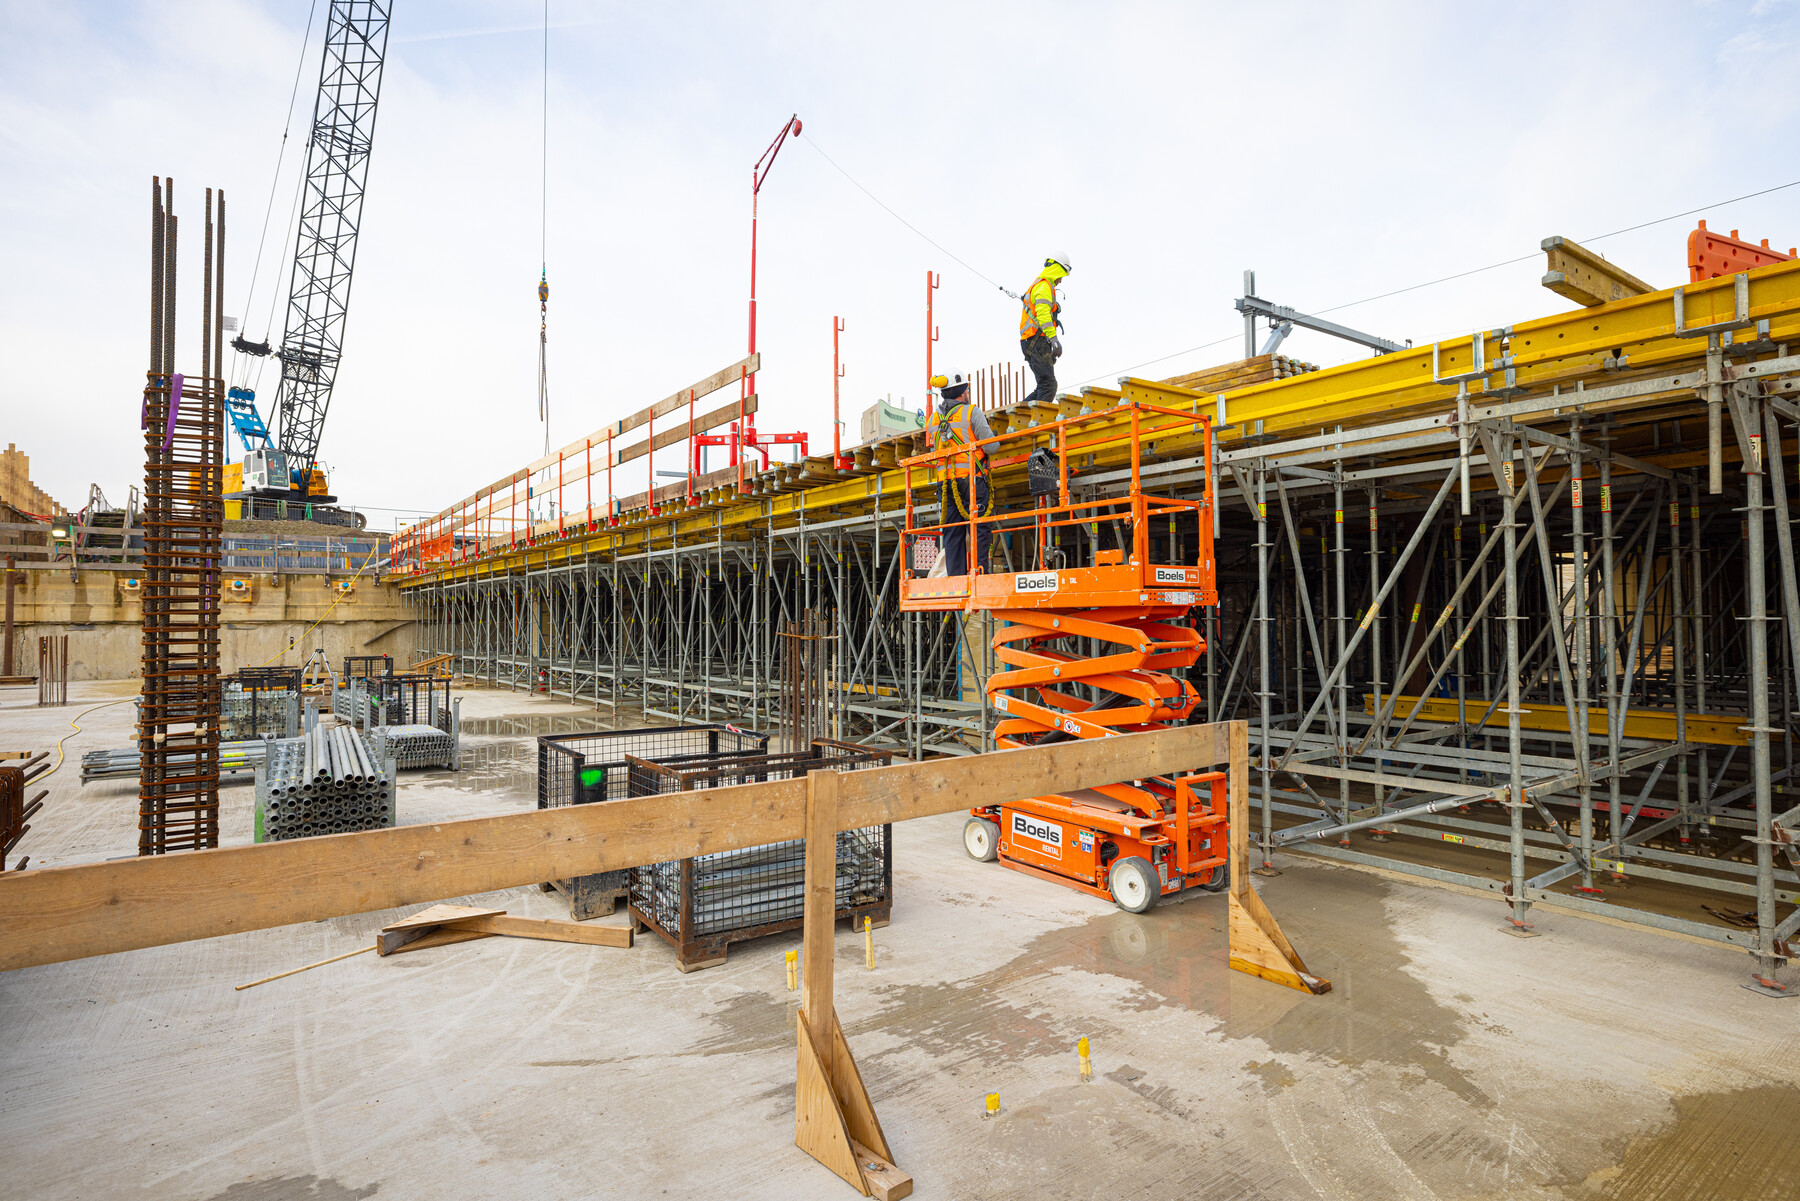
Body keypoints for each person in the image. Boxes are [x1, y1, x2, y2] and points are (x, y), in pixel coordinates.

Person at [934, 373, 994, 576]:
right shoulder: (971, 412)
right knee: (979, 528)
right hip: (971, 481)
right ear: (961, 392)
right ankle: (979, 575)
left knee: (952, 531)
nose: (968, 392)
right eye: (966, 389)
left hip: (944, 484)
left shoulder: (935, 418)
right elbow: (992, 447)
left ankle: (956, 580)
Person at [1019, 255, 1070, 408]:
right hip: (1036, 340)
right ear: (1056, 270)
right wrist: (1054, 339)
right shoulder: (1044, 286)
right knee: (1048, 385)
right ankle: (1032, 424)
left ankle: (1019, 414)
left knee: (1044, 385)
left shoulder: (1040, 285)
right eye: (1061, 276)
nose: (1060, 280)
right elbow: (1043, 315)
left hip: (1032, 341)